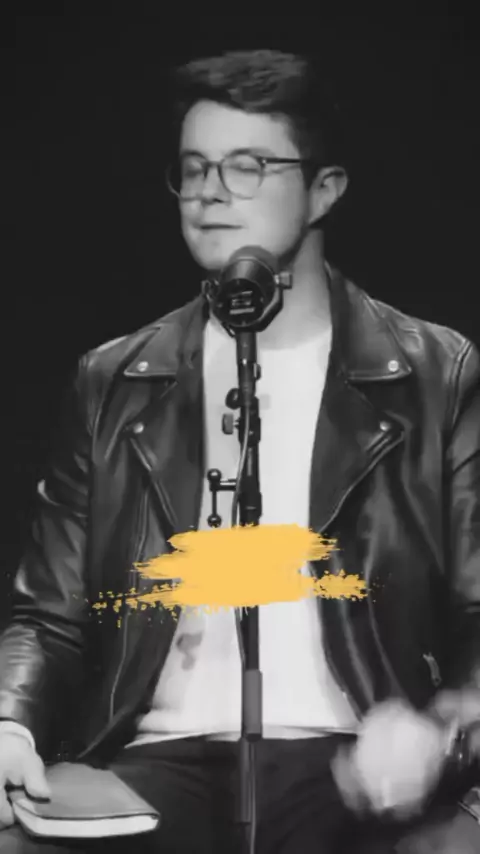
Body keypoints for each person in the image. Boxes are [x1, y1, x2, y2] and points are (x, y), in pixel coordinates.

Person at [1, 48, 480, 854]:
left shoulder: (435, 374)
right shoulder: (114, 380)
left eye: (248, 166)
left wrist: (443, 728)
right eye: (194, 169)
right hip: (153, 763)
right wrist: (10, 723)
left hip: (356, 756)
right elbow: (49, 617)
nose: (211, 191)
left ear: (325, 189)